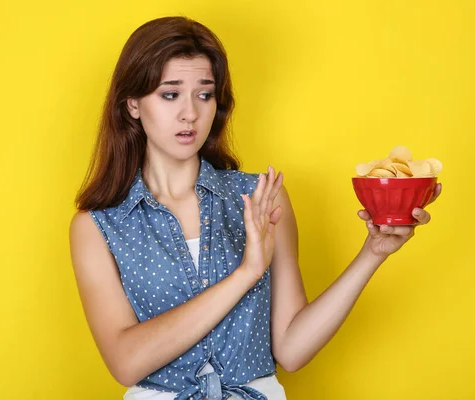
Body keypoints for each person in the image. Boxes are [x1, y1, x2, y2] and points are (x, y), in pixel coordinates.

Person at [68, 16, 442, 400]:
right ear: (132, 104)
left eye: (204, 94)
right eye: (170, 94)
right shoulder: (98, 225)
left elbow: (291, 350)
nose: (190, 114)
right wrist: (247, 272)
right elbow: (125, 361)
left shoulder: (262, 197)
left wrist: (372, 253)